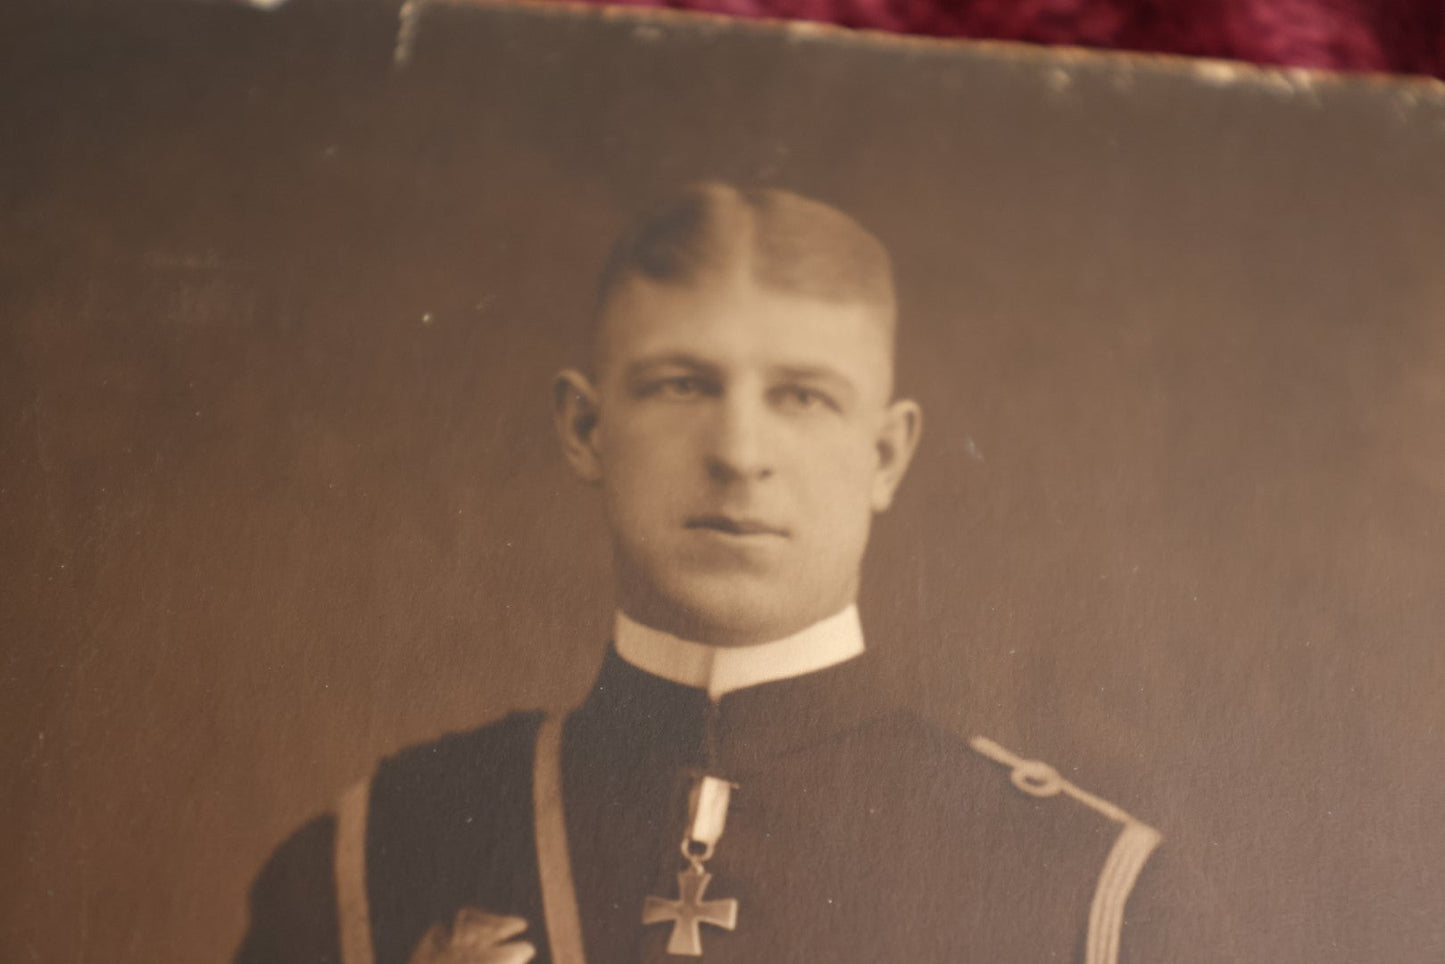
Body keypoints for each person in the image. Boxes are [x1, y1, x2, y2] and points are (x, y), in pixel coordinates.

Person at [236, 182, 1162, 964]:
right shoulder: (375, 859)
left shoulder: (1093, 892)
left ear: (884, 455)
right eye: (682, 385)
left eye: (802, 396)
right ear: (584, 429)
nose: (739, 452)